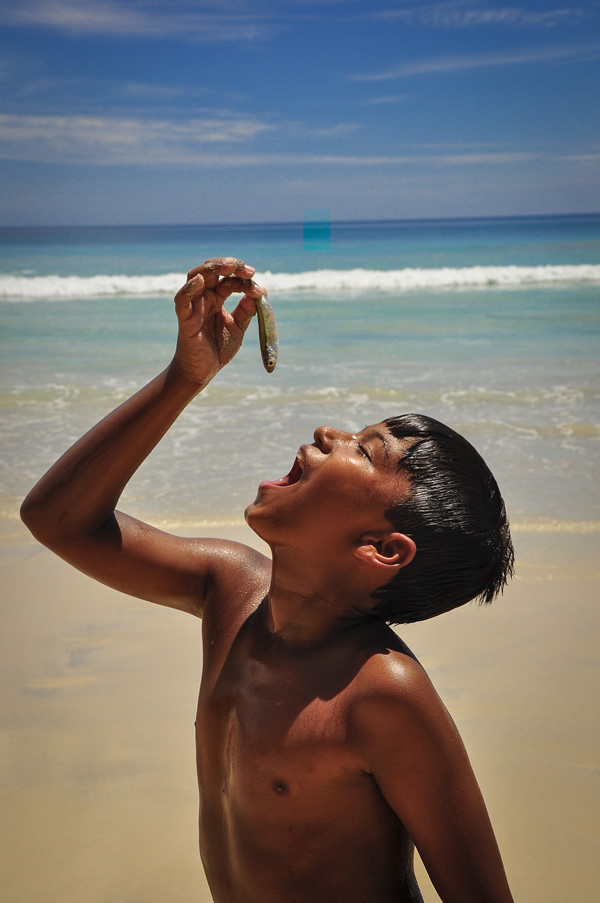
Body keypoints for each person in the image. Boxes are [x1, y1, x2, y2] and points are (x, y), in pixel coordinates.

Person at [21, 257, 515, 903]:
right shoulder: (230, 588)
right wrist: (183, 378)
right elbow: (57, 518)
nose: (329, 431)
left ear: (381, 547)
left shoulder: (383, 694)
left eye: (365, 450)